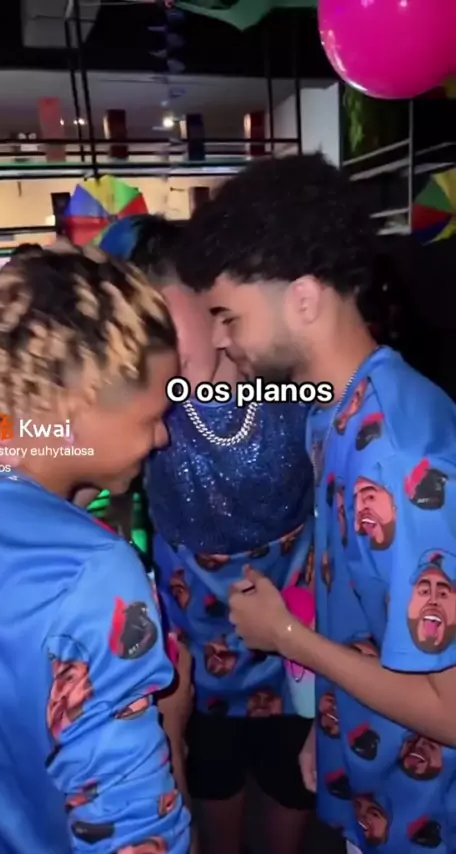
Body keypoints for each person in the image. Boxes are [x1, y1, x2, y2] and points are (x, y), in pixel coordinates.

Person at [175, 153, 456, 854]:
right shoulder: (331, 409)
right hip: (376, 782)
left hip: (424, 819)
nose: (219, 339)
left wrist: (285, 636)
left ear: (302, 300)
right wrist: (330, 723)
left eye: (228, 316)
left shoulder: (398, 458)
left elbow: (451, 712)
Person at [101, 214, 316, 854]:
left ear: (210, 294)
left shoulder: (292, 382)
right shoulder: (147, 404)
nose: (153, 345)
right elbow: (37, 437)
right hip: (193, 643)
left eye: (163, 319)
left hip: (295, 635)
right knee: (214, 787)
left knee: (288, 787)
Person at [0, 246, 190, 854]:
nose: (162, 436)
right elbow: (134, 834)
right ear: (80, 404)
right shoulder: (92, 572)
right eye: (152, 416)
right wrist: (172, 723)